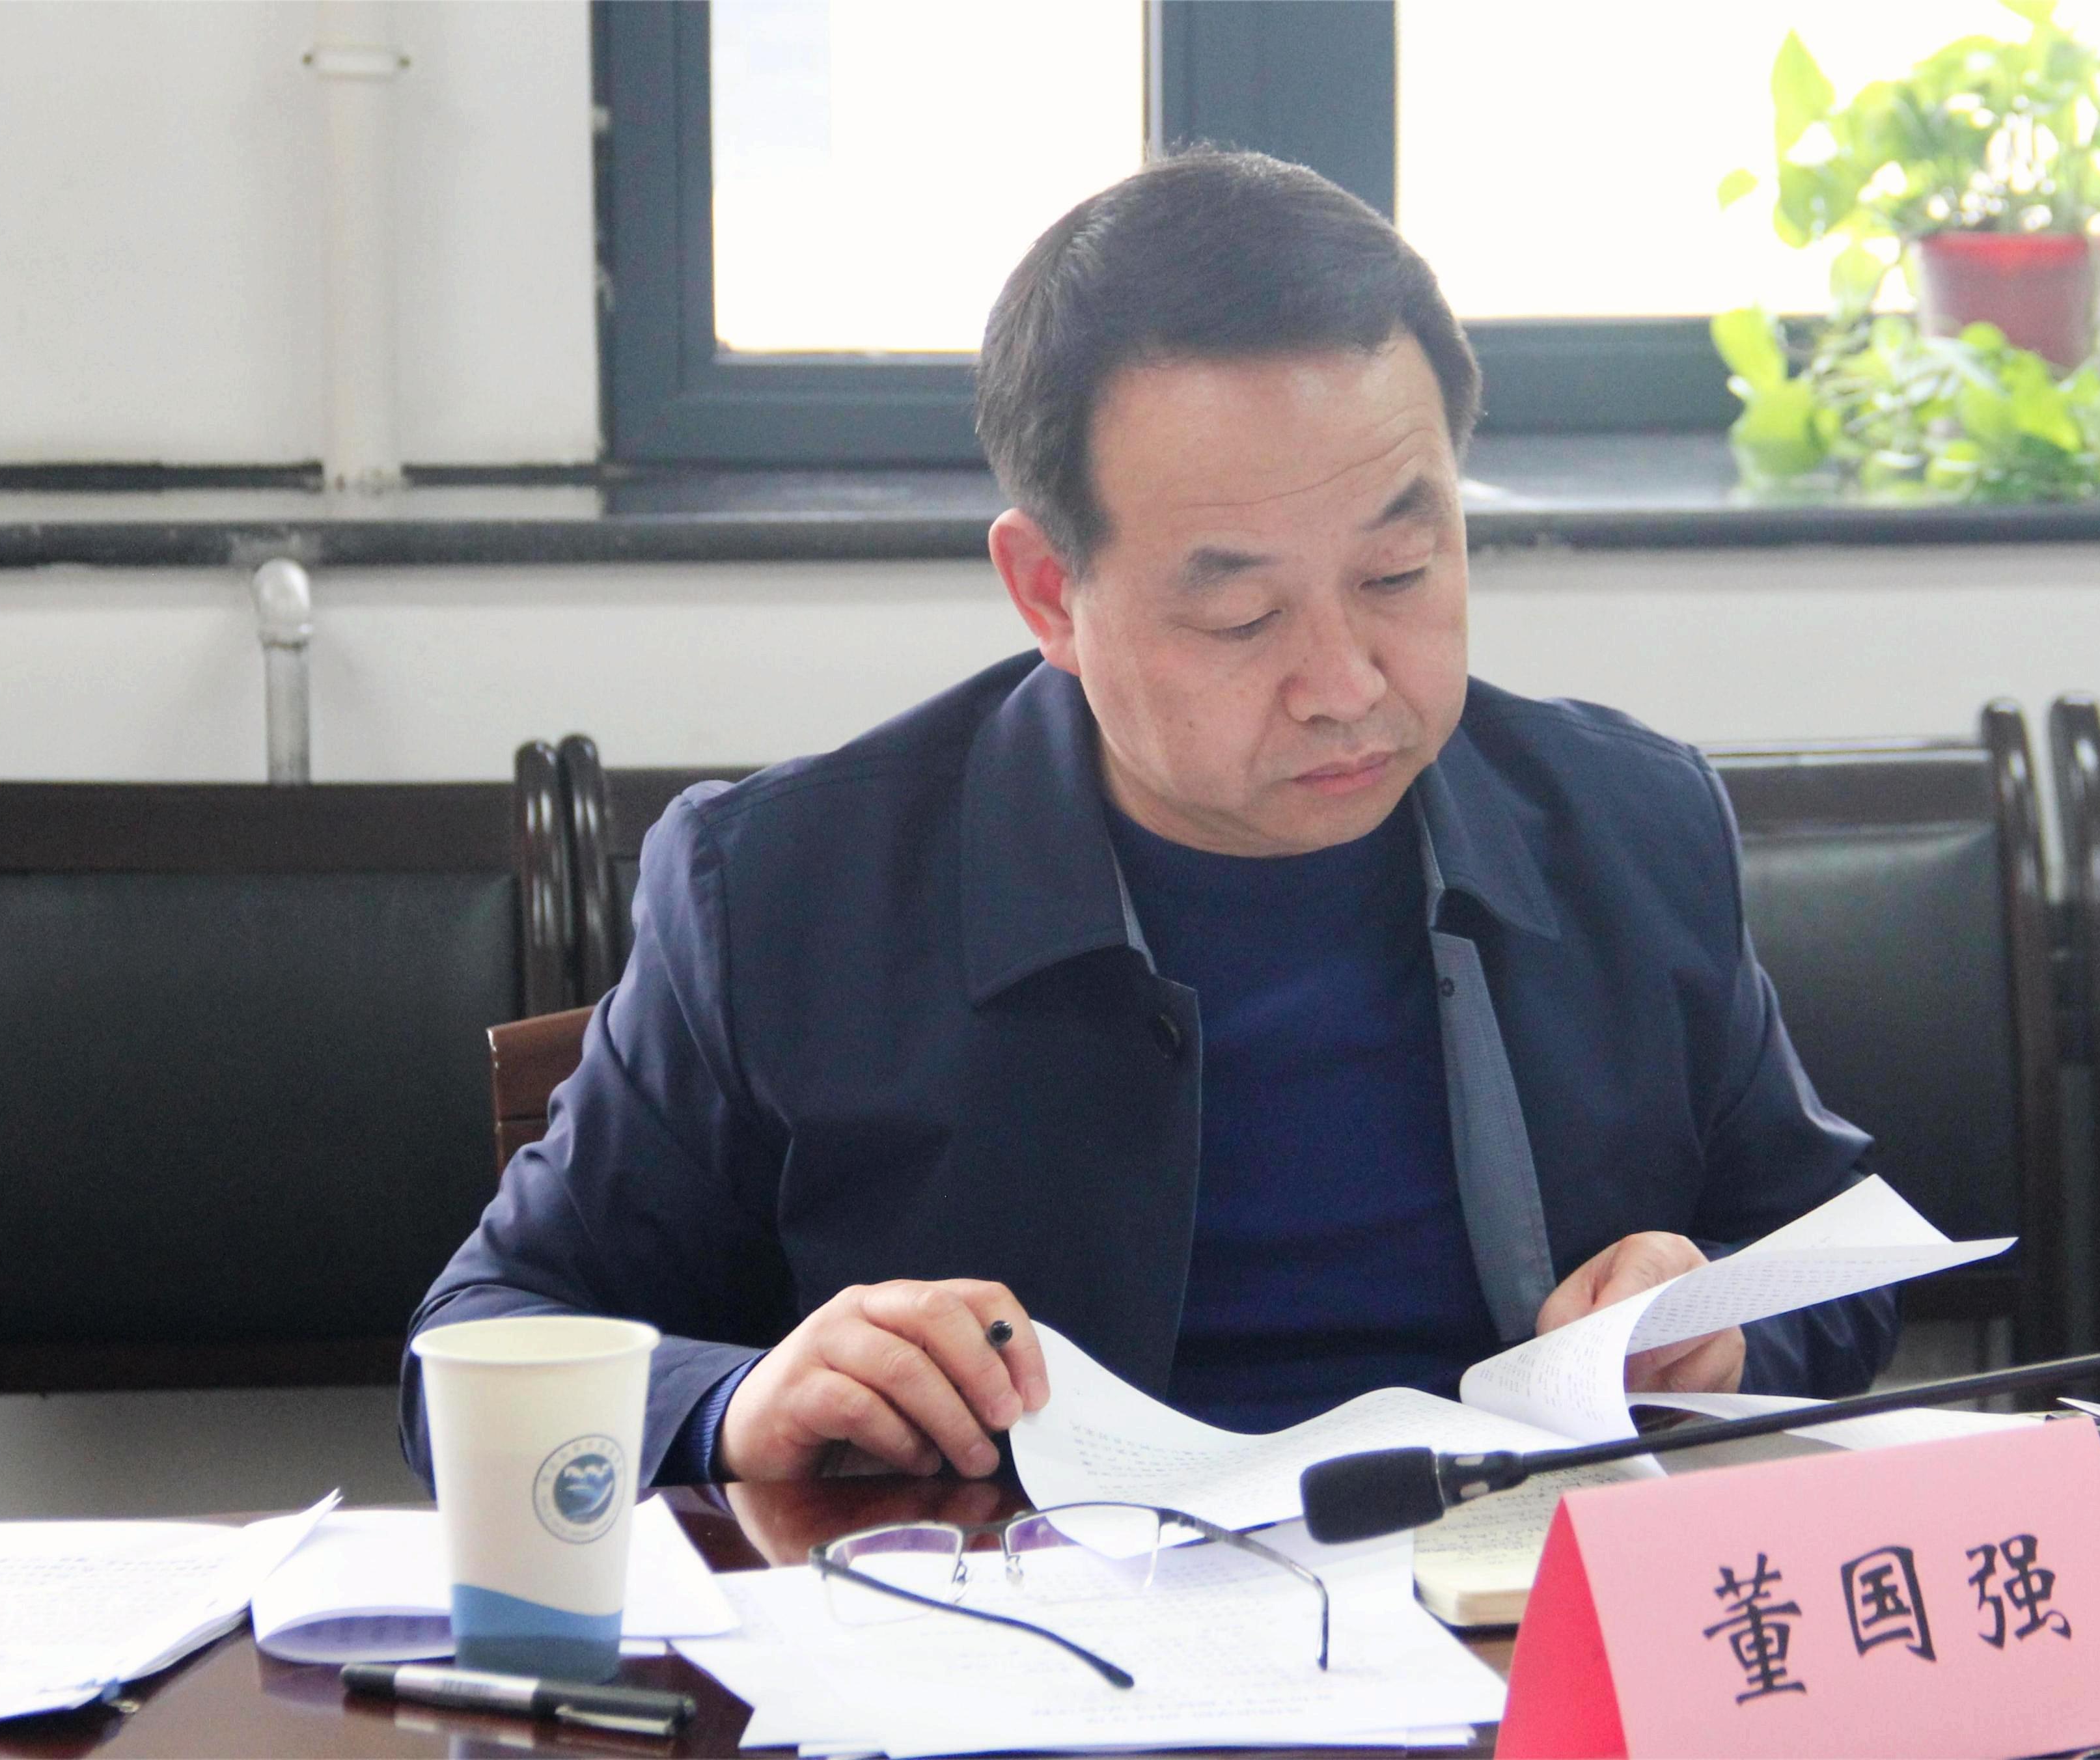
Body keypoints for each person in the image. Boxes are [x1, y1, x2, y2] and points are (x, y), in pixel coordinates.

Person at [402, 150, 1894, 1491]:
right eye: (1240, 615)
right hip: (1025, 1642)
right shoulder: (784, 888)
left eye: (1398, 573)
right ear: (1049, 593)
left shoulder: (1630, 822)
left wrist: (1717, 1324)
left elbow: (1839, 1256)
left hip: (1511, 1626)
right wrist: (737, 1400)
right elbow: (473, 1340)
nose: (1345, 683)